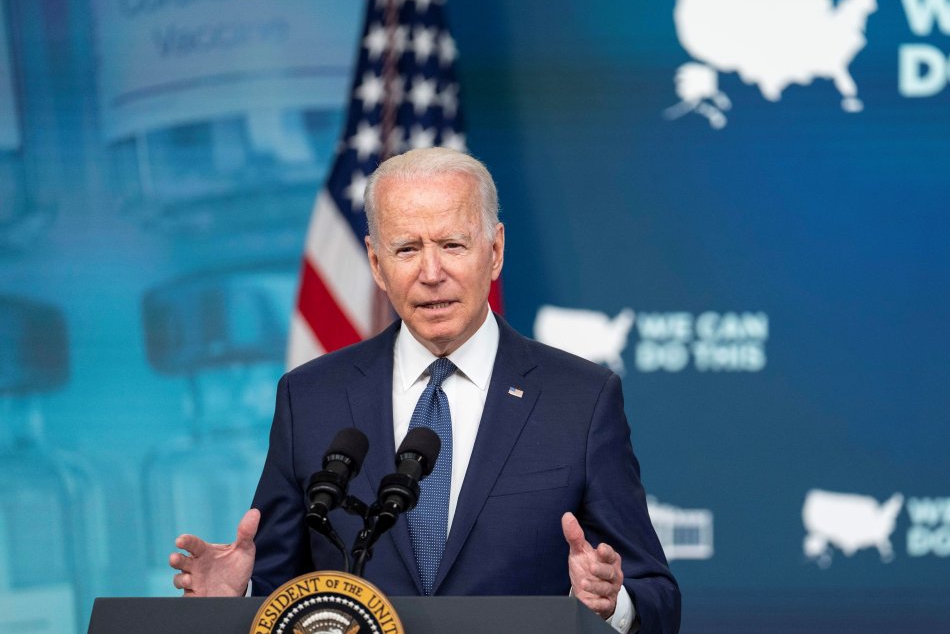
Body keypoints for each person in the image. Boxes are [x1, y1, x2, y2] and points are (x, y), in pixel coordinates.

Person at [168, 147, 680, 633]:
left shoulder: (580, 399)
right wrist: (232, 604)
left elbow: (657, 596)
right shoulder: (310, 398)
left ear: (495, 251)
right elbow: (282, 592)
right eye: (407, 249)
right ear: (375, 264)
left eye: (452, 245)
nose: (431, 274)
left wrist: (611, 603)